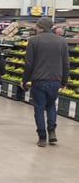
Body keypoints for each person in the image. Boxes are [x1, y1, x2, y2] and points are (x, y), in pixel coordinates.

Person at [21, 16, 70, 147]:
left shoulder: (34, 41)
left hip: (38, 79)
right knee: (51, 105)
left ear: (40, 27)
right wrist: (64, 81)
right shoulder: (62, 42)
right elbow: (66, 63)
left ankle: (42, 136)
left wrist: (24, 80)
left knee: (39, 107)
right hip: (55, 79)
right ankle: (52, 130)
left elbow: (29, 64)